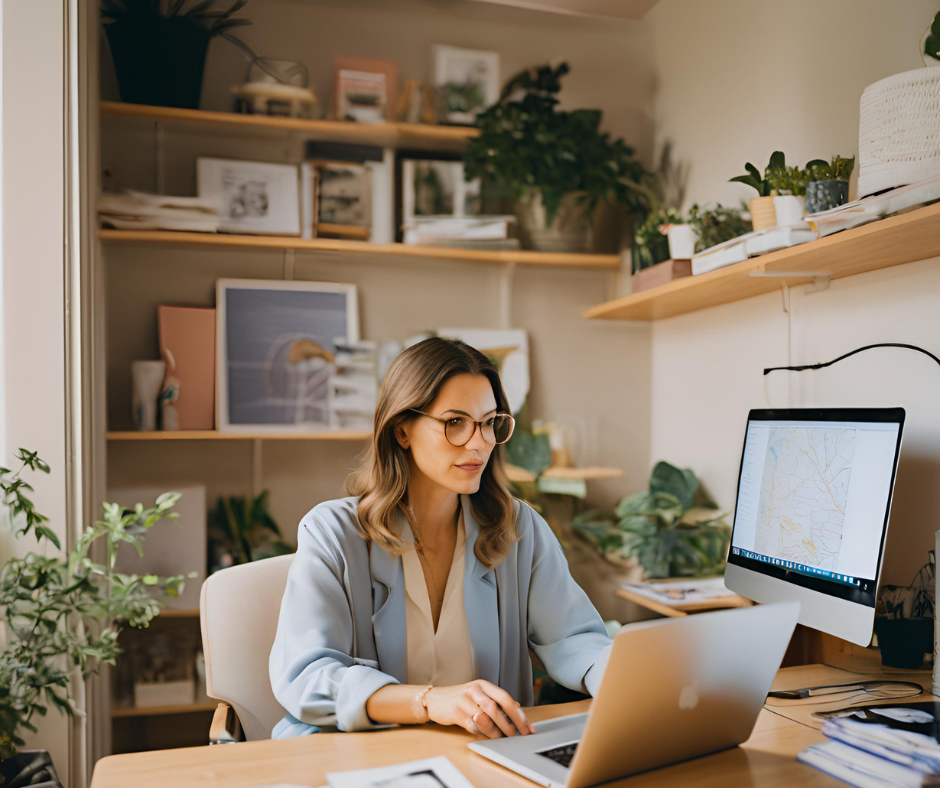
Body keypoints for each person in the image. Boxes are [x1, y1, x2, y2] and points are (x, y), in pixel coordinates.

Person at [269, 337, 612, 739]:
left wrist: (629, 678)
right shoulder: (331, 533)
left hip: (489, 758)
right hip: (366, 761)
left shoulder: (518, 528)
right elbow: (308, 675)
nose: (479, 442)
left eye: (489, 422)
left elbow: (576, 639)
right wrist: (429, 701)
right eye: (455, 423)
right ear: (402, 430)